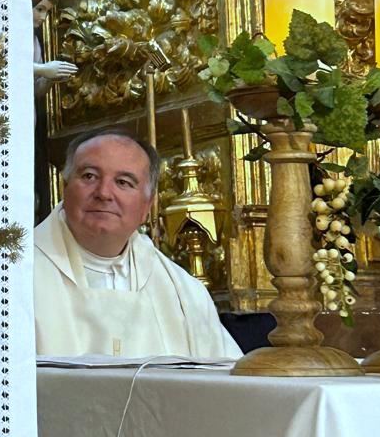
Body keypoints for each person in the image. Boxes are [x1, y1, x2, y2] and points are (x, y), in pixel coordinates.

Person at [34, 129, 240, 359]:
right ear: (65, 187)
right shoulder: (15, 275)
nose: (104, 193)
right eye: (89, 176)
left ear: (147, 206)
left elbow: (224, 380)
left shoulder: (183, 292)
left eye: (123, 182)